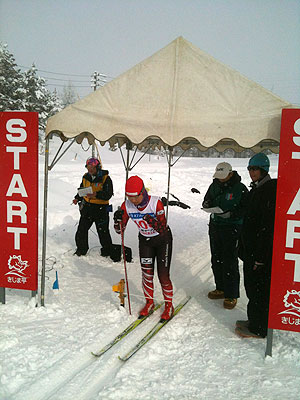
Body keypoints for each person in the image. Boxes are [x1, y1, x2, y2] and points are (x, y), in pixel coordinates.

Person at [113, 175, 174, 320]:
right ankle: (149, 302)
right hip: (145, 240)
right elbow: (120, 230)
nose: (133, 201)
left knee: (163, 275)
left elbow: (162, 229)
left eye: (136, 197)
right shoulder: (126, 205)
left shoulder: (155, 203)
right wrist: (117, 221)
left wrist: (149, 219)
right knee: (147, 274)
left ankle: (168, 305)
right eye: (130, 197)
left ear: (143, 192)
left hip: (162, 240)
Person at [235, 153, 277, 339]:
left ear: (264, 170)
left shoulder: (268, 191)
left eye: (255, 169)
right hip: (252, 250)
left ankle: (259, 327)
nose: (252, 173)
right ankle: (254, 320)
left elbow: (267, 228)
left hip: (260, 253)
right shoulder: (258, 188)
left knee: (258, 289)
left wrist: (261, 257)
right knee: (252, 288)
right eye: (250, 169)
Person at [202, 162, 248, 309]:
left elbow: (246, 209)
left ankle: (231, 294)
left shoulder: (240, 188)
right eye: (218, 177)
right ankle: (220, 287)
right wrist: (207, 203)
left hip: (232, 228)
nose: (220, 179)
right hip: (216, 226)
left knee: (229, 260)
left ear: (230, 174)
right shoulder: (214, 185)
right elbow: (207, 198)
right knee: (216, 258)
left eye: (223, 177)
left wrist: (232, 214)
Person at [73, 157, 113, 258]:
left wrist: (96, 194)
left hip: (101, 209)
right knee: (81, 230)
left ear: (98, 167)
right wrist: (77, 198)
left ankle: (107, 252)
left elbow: (108, 194)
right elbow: (82, 189)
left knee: (103, 232)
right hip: (88, 208)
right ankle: (81, 250)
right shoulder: (85, 177)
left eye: (92, 168)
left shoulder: (105, 178)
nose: (90, 170)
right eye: (88, 168)